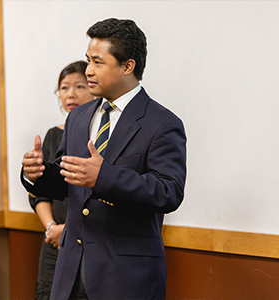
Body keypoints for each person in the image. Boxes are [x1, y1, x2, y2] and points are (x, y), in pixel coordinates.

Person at [21, 18, 186, 300]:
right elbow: (65, 180)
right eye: (88, 60)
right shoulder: (79, 117)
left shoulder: (162, 123)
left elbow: (168, 192)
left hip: (125, 278)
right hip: (70, 274)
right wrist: (36, 174)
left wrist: (104, 177)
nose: (88, 71)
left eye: (98, 62)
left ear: (127, 66)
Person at [30, 60, 94, 300]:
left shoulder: (101, 136)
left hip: (89, 240)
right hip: (54, 241)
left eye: (79, 86)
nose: (71, 94)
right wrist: (52, 229)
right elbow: (40, 192)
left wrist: (69, 230)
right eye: (64, 88)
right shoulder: (53, 135)